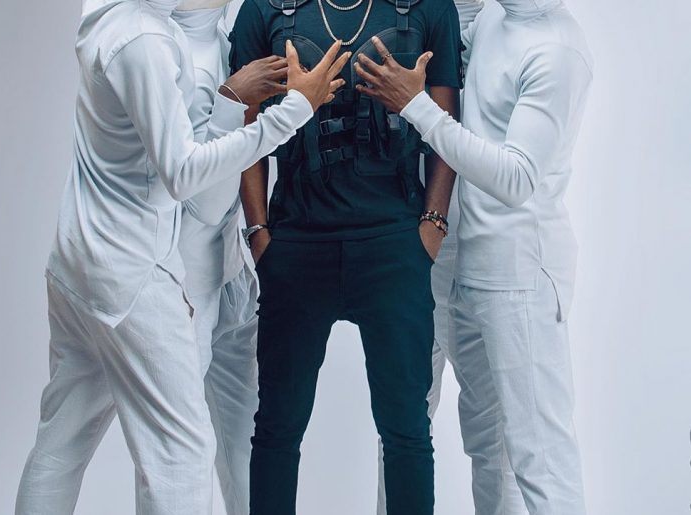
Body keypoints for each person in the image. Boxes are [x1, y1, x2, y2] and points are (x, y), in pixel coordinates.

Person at [14, 0, 350, 511]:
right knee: (181, 458)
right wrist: (283, 108)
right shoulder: (152, 42)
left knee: (64, 442)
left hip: (107, 263)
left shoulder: (142, 22)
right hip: (149, 280)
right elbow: (194, 188)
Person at [354, 0, 593, 513]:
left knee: (536, 457)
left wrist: (416, 106)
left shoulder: (557, 50)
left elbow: (516, 178)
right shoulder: (493, 18)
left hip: (519, 272)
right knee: (442, 429)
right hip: (452, 260)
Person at [229, 0, 462, 513]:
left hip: (394, 246)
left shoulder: (430, 8)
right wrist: (259, 233)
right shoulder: (263, 9)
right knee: (277, 427)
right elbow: (244, 125)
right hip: (295, 245)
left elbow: (447, 123)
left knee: (406, 428)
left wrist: (433, 223)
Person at [376, 2, 526, 513]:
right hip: (412, 240)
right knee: (403, 417)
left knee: (495, 427)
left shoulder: (511, 27)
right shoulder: (399, 17)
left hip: (490, 246)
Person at [173, 2, 267, 513]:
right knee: (181, 453)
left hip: (232, 274)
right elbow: (205, 203)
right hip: (184, 287)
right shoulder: (171, 52)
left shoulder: (223, 32)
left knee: (247, 440)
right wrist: (235, 99)